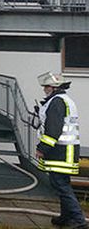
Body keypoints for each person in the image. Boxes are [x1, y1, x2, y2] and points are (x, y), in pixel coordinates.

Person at [35, 72, 87, 229]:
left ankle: (78, 219)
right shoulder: (64, 100)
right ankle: (66, 217)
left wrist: (41, 149)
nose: (44, 89)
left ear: (53, 87)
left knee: (60, 185)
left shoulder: (57, 102)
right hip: (66, 150)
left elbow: (53, 130)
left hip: (60, 151)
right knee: (62, 183)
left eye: (46, 87)